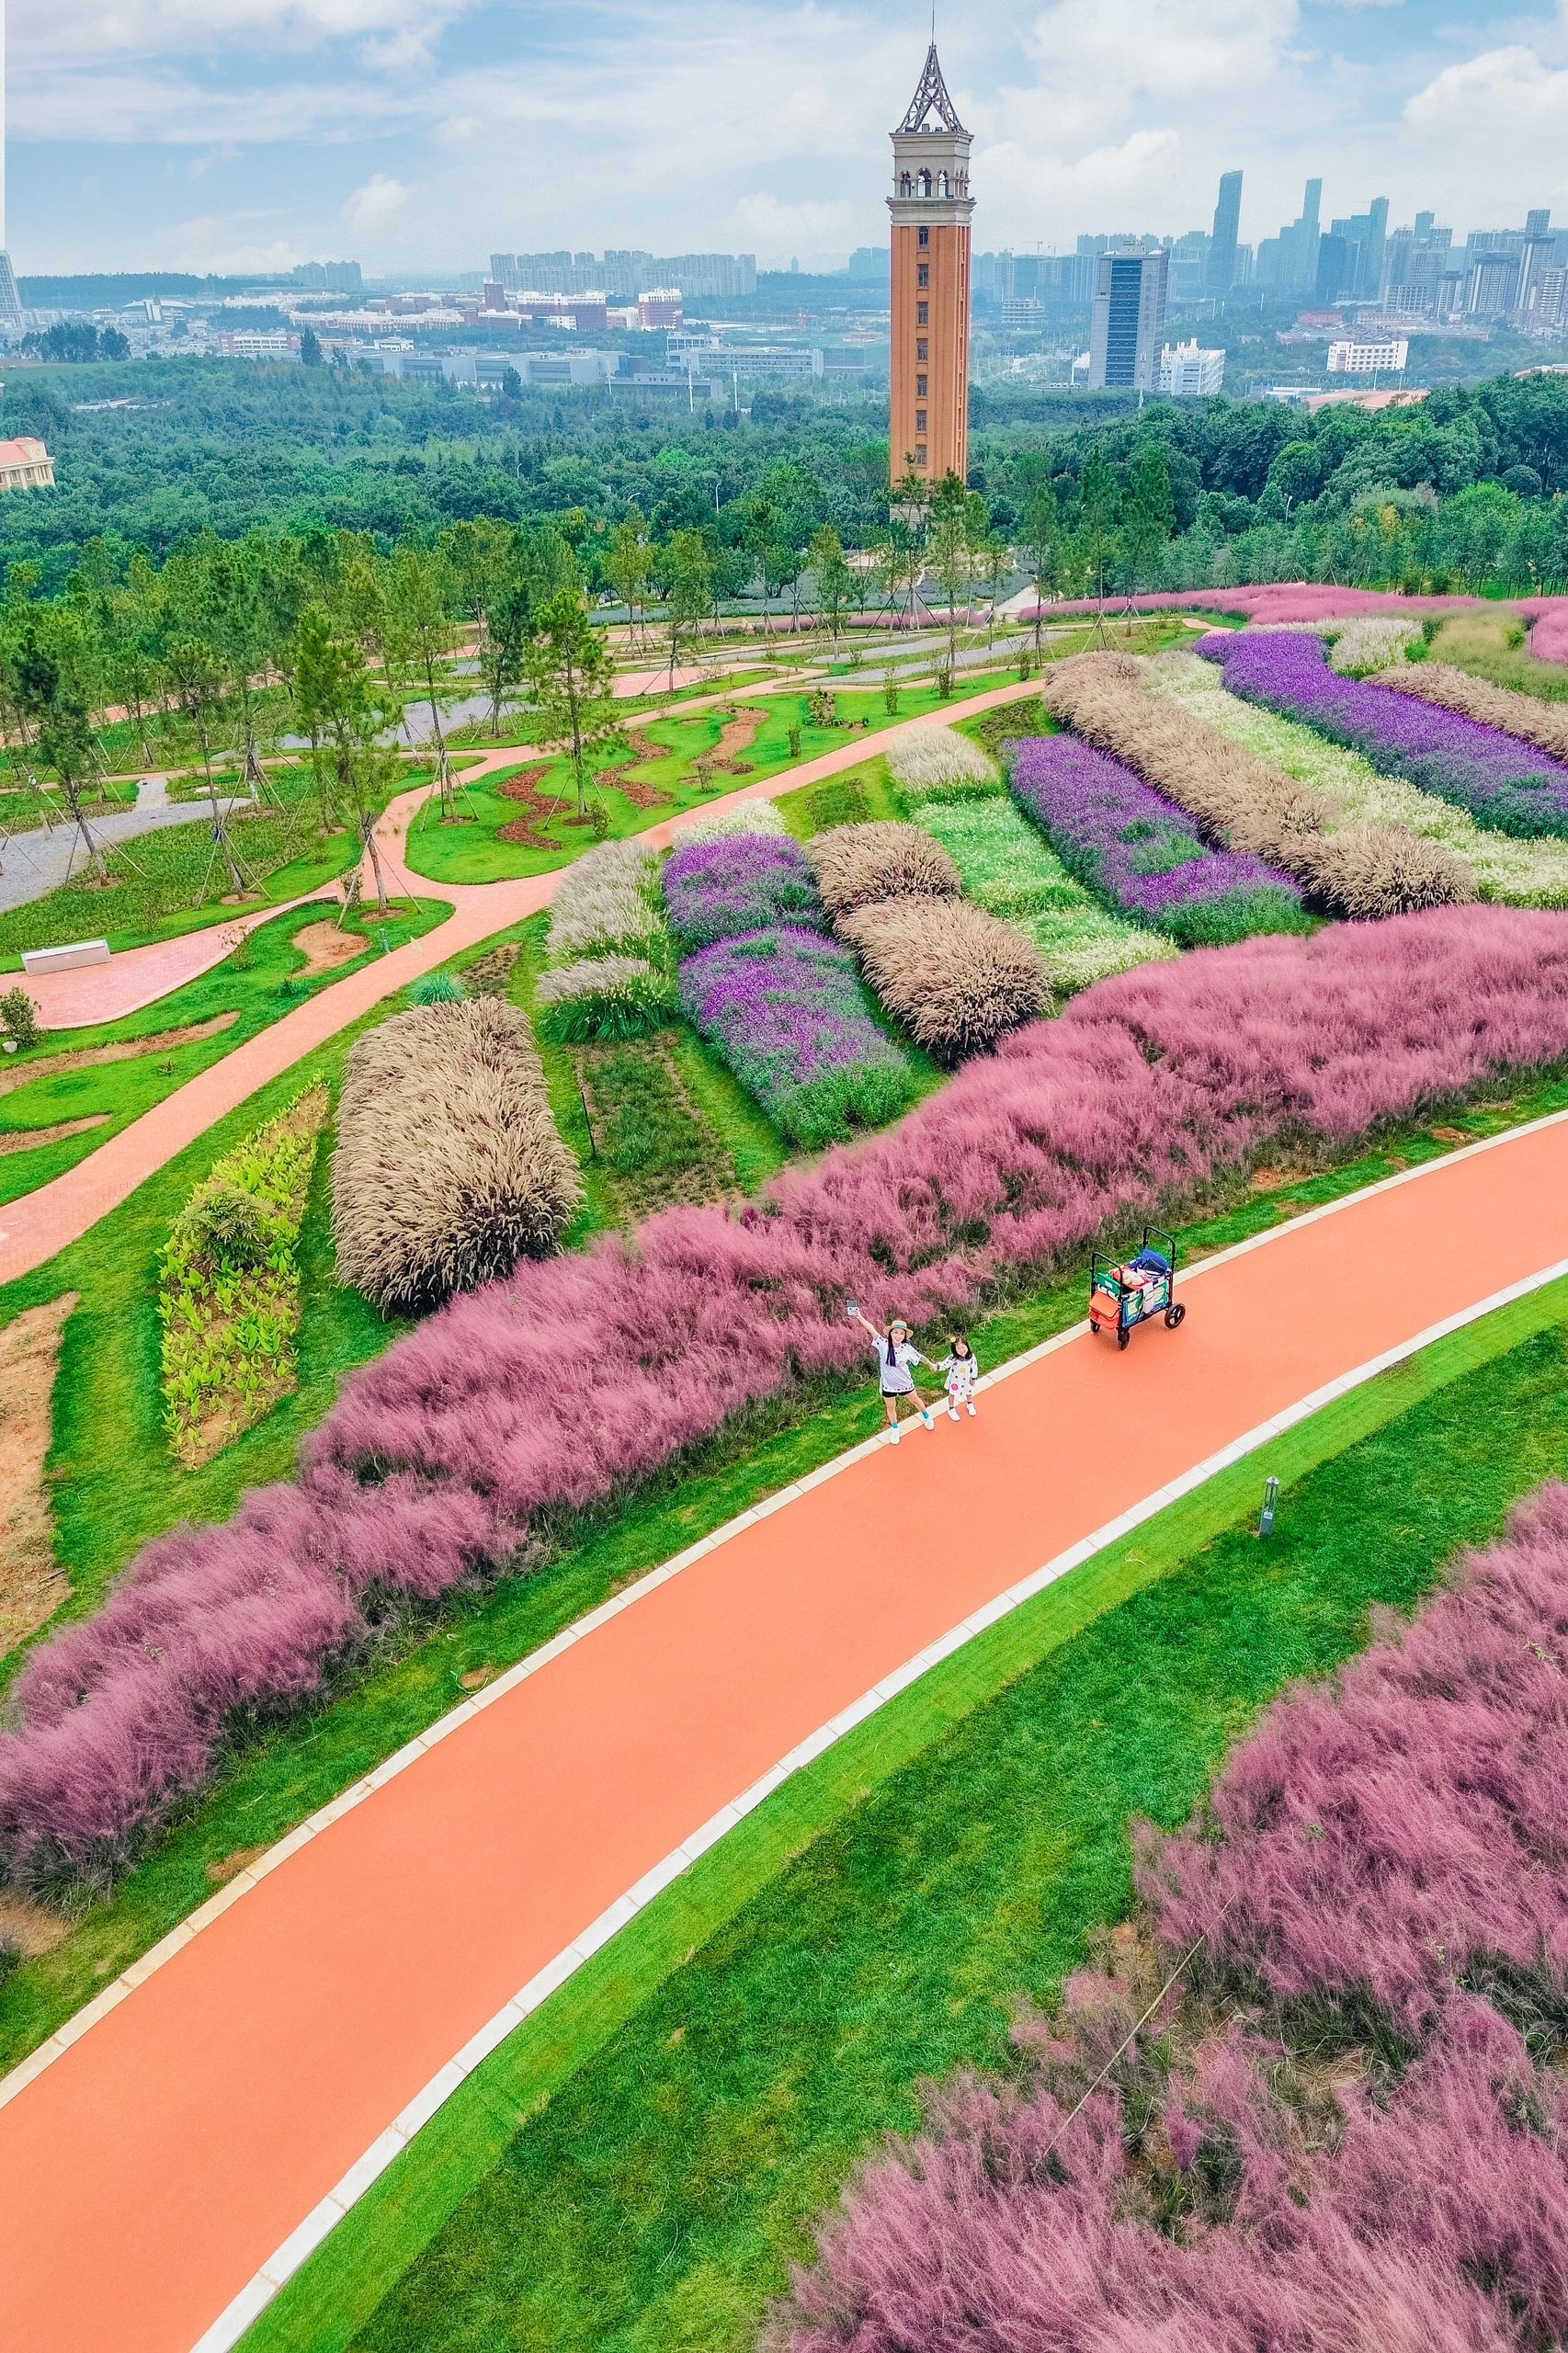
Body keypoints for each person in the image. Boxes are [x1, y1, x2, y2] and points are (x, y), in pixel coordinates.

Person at [849, 1305, 935, 1442]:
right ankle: (895, 1428)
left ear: (904, 1336)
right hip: (888, 1386)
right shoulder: (882, 1344)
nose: (898, 1336)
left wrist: (930, 1364)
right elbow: (871, 1329)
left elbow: (920, 1357)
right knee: (891, 1407)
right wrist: (859, 1316)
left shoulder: (907, 1348)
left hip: (905, 1383)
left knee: (916, 1400)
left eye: (901, 1334)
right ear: (890, 1333)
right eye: (896, 1332)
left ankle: (926, 1416)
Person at [937, 1335, 980, 1420]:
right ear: (955, 1350)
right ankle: (951, 1409)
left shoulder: (971, 1357)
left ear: (967, 1346)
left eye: (963, 1347)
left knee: (969, 1390)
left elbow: (974, 1367)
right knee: (952, 1393)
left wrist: (973, 1377)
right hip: (955, 1380)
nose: (961, 1350)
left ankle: (969, 1404)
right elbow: (945, 1364)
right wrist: (938, 1366)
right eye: (958, 1349)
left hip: (967, 1379)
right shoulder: (953, 1358)